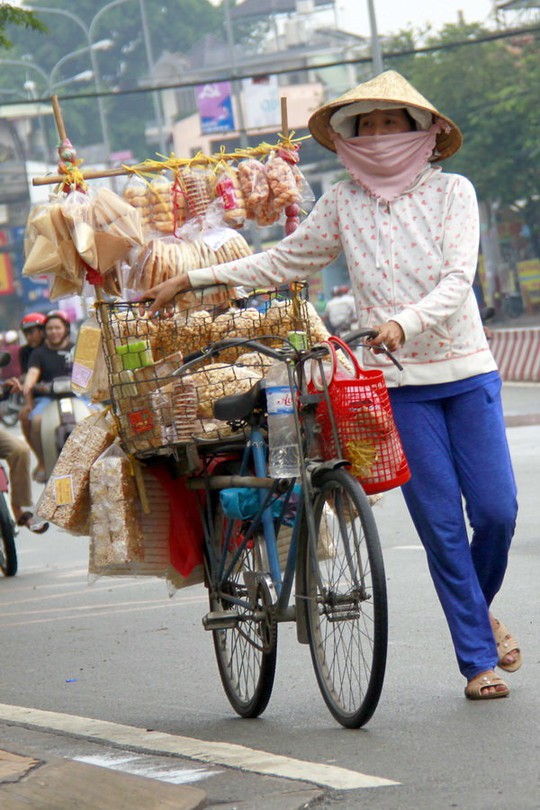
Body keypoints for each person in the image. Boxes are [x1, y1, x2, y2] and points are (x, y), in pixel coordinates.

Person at [145, 70, 520, 701]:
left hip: (467, 370)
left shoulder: (455, 192)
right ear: (347, 140)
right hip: (397, 387)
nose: (377, 136)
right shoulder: (343, 202)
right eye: (364, 126)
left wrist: (405, 321)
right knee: (440, 527)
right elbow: (285, 259)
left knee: (496, 512)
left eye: (390, 124)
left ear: (423, 132)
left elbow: (459, 279)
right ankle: (476, 660)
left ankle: (477, 610)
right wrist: (195, 280)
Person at [23, 310, 73, 483]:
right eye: (50, 328)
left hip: (79, 397)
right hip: (49, 399)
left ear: (66, 329)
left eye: (57, 328)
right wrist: (29, 383)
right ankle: (44, 463)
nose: (54, 332)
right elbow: (33, 372)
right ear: (45, 332)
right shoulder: (38, 354)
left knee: (97, 416)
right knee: (36, 421)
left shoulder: (76, 348)